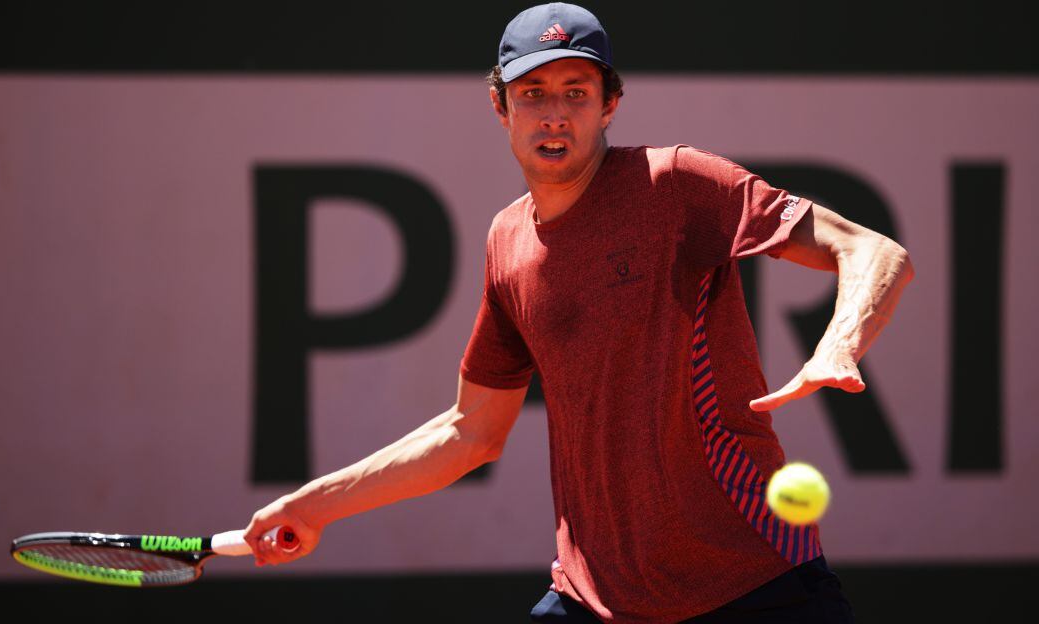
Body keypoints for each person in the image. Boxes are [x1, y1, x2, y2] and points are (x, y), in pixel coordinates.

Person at [245, 3, 913, 622]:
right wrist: (315, 505)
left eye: (576, 93)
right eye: (533, 94)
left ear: (609, 104)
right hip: (594, 599)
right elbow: (471, 432)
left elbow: (872, 250)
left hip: (752, 584)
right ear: (500, 107)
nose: (554, 114)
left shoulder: (676, 184)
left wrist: (839, 345)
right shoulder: (507, 241)